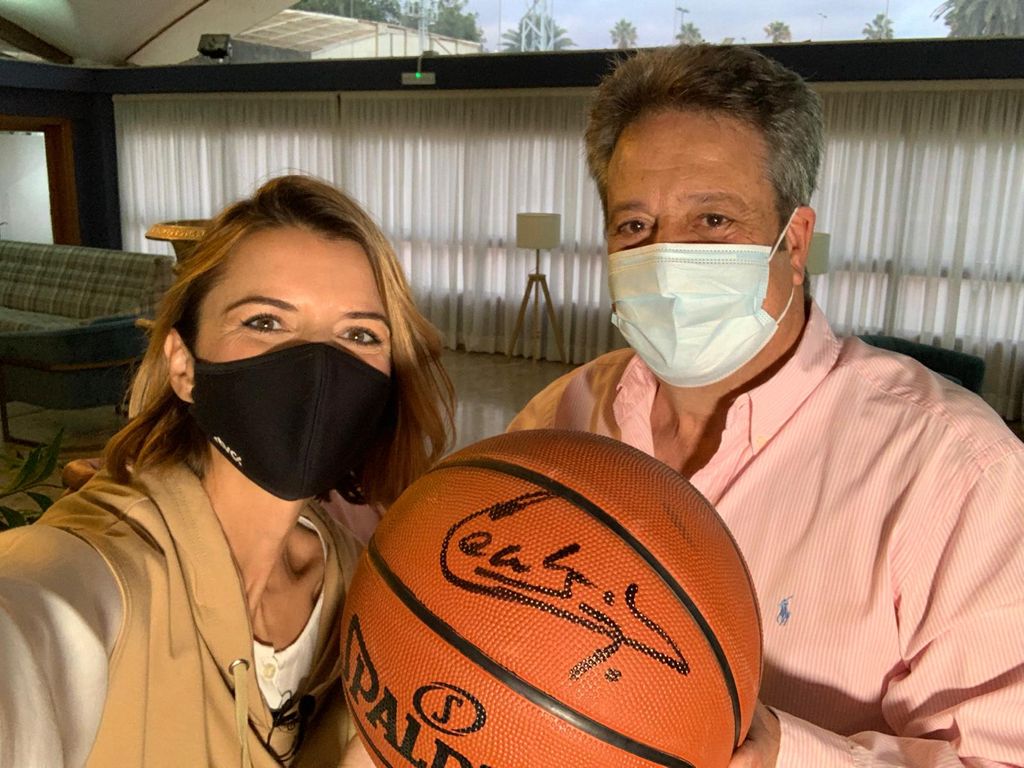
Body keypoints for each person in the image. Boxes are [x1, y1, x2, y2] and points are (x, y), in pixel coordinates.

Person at [508, 44, 1024, 766]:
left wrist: (785, 754)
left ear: (795, 243)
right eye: (634, 226)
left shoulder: (958, 472)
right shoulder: (558, 418)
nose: (667, 256)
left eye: (714, 220)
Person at [0, 174, 455, 767]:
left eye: (359, 333)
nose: (319, 366)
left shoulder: (357, 577)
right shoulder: (102, 569)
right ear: (184, 366)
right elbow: (35, 624)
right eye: (265, 321)